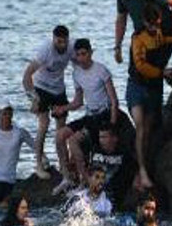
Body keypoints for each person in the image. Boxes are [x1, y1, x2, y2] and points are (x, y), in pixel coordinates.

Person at [129, 4, 172, 190]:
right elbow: (140, 66)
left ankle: (140, 173)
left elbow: (163, 41)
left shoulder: (157, 33)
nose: (155, 28)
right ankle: (141, 171)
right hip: (137, 86)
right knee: (139, 127)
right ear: (145, 22)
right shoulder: (138, 39)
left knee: (148, 131)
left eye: (157, 25)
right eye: (152, 25)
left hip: (153, 88)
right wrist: (162, 72)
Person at [54, 38, 120, 192]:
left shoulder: (101, 70)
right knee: (60, 135)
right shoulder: (76, 74)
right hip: (89, 114)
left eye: (84, 54)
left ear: (91, 53)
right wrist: (62, 109)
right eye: (78, 55)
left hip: (103, 114)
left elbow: (114, 100)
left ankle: (85, 179)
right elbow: (78, 102)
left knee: (73, 141)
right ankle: (67, 177)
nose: (81, 58)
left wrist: (113, 123)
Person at [22, 24, 73, 178]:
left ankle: (63, 165)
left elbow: (82, 63)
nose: (62, 45)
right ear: (53, 39)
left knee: (61, 129)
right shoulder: (45, 50)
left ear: (68, 39)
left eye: (64, 42)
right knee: (44, 125)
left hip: (58, 89)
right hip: (41, 87)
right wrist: (34, 99)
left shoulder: (71, 47)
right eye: (58, 42)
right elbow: (26, 77)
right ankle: (38, 164)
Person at [0, 101, 35, 202]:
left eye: (10, 114)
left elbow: (36, 148)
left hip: (9, 180)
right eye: (4, 114)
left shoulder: (20, 132)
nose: (7, 116)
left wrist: (44, 162)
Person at [89, 122, 138, 203]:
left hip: (115, 195)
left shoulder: (125, 154)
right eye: (100, 137)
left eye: (104, 137)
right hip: (95, 191)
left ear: (115, 138)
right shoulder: (95, 149)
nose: (101, 141)